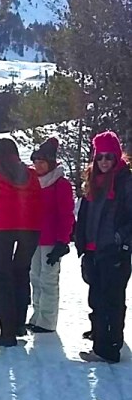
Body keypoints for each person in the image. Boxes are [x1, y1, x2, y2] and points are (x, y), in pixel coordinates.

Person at [0, 137, 42, 347]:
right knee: (21, 273)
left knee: (2, 276)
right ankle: (19, 324)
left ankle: (7, 332)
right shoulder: (29, 172)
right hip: (31, 229)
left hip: (4, 228)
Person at [75, 130, 132, 363]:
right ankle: (103, 340)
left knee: (111, 299)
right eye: (100, 157)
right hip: (93, 249)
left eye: (109, 156)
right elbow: (86, 215)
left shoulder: (124, 181)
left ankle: (108, 348)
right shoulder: (93, 181)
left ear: (117, 156)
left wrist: (122, 241)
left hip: (114, 250)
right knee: (96, 298)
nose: (104, 161)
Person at [28, 137, 75, 333]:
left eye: (42, 162)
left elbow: (66, 214)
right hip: (34, 239)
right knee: (35, 278)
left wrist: (62, 241)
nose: (38, 166)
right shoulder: (33, 182)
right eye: (36, 162)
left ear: (51, 163)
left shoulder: (60, 184)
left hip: (51, 241)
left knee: (48, 280)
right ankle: (37, 315)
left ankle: (47, 321)